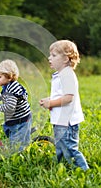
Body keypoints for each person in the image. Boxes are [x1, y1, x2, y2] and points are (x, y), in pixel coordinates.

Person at [39, 40, 89, 171]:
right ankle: (60, 168)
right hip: (60, 120)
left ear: (66, 59)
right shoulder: (60, 75)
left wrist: (51, 103)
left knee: (70, 148)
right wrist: (49, 100)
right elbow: (60, 95)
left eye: (54, 55)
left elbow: (68, 98)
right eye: (50, 55)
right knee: (60, 146)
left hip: (67, 121)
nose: (49, 58)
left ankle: (83, 170)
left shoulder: (67, 75)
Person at [0, 59, 32, 152]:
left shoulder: (12, 90)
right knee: (8, 130)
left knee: (17, 144)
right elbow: (3, 94)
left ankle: (21, 155)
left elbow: (10, 107)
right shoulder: (7, 86)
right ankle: (17, 141)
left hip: (21, 120)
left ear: (9, 77)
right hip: (14, 118)